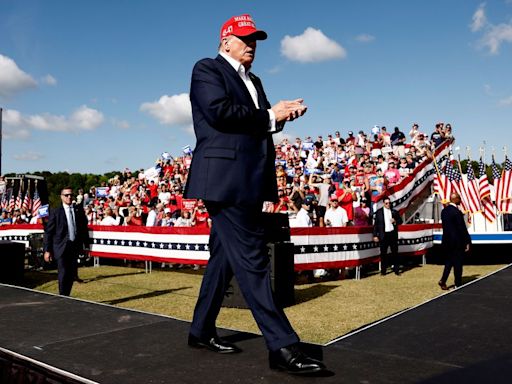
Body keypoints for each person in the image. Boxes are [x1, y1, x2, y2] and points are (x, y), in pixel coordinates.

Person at [183, 14, 325, 375]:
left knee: (224, 258)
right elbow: (220, 113)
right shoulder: (207, 69)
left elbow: (256, 126)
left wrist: (280, 117)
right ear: (225, 40)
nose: (252, 44)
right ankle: (282, 346)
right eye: (245, 38)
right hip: (223, 181)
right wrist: (269, 115)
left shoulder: (254, 80)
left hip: (246, 179)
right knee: (253, 261)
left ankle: (200, 330)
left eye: (256, 39)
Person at [43, 187, 90, 296]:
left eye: (71, 195)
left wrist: (86, 246)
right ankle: (62, 297)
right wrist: (47, 250)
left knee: (71, 274)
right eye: (66, 195)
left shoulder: (78, 210)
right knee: (63, 272)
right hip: (60, 247)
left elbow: (83, 229)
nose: (69, 197)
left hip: (74, 246)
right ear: (61, 197)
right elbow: (48, 232)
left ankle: (67, 296)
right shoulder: (55, 212)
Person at [438, 192, 471, 289]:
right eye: (459, 198)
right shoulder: (456, 212)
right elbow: (461, 228)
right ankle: (458, 283)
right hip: (457, 242)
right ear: (455, 199)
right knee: (458, 263)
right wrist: (467, 241)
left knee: (449, 262)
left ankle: (443, 280)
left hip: (447, 241)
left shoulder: (444, 211)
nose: (460, 200)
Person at [373, 197, 403, 275]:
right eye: (386, 203)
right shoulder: (379, 212)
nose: (388, 205)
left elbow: (400, 221)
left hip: (392, 234)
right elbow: (376, 225)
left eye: (389, 203)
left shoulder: (394, 211)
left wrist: (395, 221)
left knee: (395, 253)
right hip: (383, 234)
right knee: (383, 253)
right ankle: (383, 271)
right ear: (383, 203)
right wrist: (375, 235)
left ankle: (396, 270)